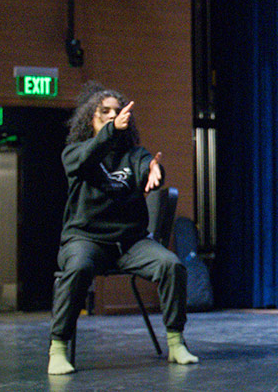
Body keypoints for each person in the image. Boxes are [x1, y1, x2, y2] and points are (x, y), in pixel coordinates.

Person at [48, 82, 198, 375]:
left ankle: (176, 343)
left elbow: (146, 166)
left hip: (130, 243)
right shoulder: (76, 152)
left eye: (117, 112)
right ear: (90, 118)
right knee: (77, 269)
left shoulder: (134, 154)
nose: (112, 116)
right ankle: (58, 348)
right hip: (85, 239)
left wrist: (155, 170)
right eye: (103, 112)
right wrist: (109, 131)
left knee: (171, 265)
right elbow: (85, 157)